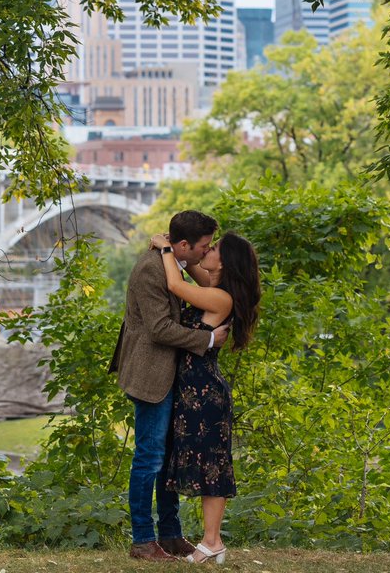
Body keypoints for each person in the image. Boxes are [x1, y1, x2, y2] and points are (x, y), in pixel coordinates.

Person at [109, 210, 229, 562]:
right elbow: (159, 329)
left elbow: (205, 281)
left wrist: (169, 251)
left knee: (167, 460)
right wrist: (207, 341)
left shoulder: (174, 260)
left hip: (173, 375)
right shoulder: (151, 269)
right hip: (150, 376)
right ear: (183, 245)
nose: (207, 253)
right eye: (203, 247)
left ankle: (171, 534)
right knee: (149, 459)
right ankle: (143, 540)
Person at [151, 230, 261, 565]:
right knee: (203, 465)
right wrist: (178, 250)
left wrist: (167, 248)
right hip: (191, 392)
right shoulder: (214, 289)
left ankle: (212, 541)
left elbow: (175, 284)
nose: (206, 251)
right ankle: (211, 541)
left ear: (225, 262)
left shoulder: (221, 299)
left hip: (205, 394)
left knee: (212, 467)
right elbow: (190, 269)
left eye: (213, 249)